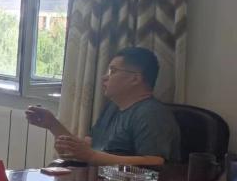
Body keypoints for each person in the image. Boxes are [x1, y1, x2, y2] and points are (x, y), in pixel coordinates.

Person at [26, 46, 181, 167]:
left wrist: (91, 156)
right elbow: (85, 149)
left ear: (135, 79)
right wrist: (52, 124)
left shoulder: (151, 113)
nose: (105, 77)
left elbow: (155, 162)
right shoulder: (112, 107)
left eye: (113, 71)